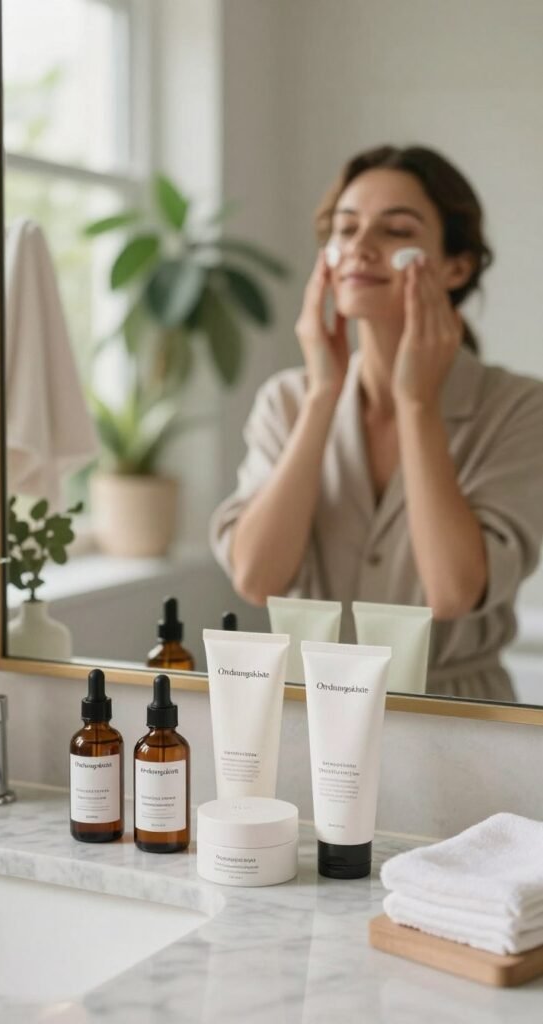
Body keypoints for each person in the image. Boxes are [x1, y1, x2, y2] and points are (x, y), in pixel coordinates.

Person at [210, 145, 543, 700]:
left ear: (457, 266)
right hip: (313, 711)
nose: (360, 247)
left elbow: (452, 592)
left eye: (395, 231)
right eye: (346, 229)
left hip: (458, 718)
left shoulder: (519, 409)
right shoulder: (287, 401)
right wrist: (323, 397)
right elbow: (255, 577)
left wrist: (417, 405)